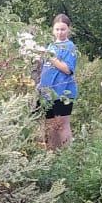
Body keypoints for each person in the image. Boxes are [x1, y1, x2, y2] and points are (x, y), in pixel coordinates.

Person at [36, 14, 78, 150]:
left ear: (68, 30)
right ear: (53, 30)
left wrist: (51, 57)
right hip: (47, 92)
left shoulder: (70, 47)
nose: (60, 32)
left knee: (62, 124)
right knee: (50, 125)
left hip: (63, 92)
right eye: (57, 29)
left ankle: (67, 156)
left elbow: (67, 69)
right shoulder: (50, 46)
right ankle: (51, 156)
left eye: (63, 29)